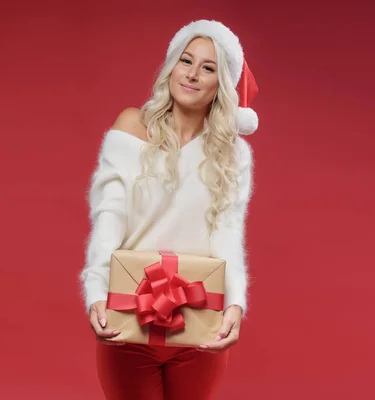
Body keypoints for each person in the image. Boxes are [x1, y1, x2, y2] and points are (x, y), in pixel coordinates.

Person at [79, 19, 259, 399]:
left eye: (208, 68)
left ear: (221, 85)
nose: (192, 74)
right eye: (185, 61)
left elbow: (228, 231)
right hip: (129, 317)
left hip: (198, 325)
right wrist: (96, 289)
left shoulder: (233, 154)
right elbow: (108, 217)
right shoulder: (131, 126)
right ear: (171, 65)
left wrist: (235, 303)